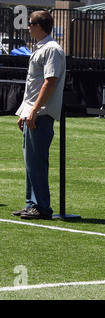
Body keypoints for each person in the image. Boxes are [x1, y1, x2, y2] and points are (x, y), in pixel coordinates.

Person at [12, 11, 66, 220]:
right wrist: (26, 112)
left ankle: (42, 207)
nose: (28, 27)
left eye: (30, 24)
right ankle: (32, 204)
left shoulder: (52, 49)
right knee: (31, 161)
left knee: (36, 161)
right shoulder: (43, 48)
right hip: (33, 113)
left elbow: (49, 82)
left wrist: (33, 111)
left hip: (41, 114)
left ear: (39, 26)